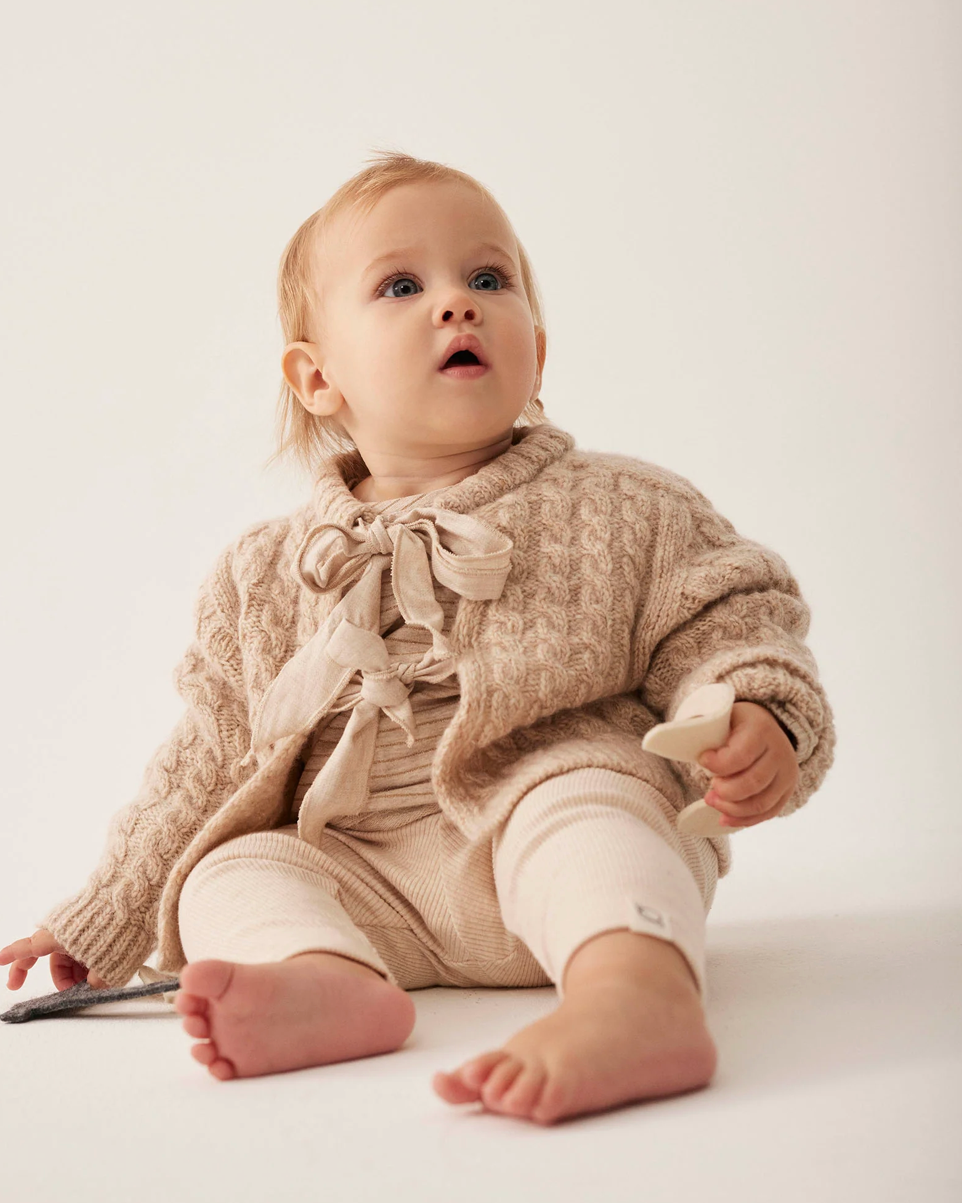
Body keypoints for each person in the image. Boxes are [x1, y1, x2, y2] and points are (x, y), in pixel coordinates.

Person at [0, 150, 835, 1126]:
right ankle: (328, 981)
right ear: (317, 378)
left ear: (538, 347)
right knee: (231, 872)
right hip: (365, 875)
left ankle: (633, 995)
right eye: (401, 285)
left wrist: (755, 712)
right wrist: (109, 904)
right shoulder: (264, 573)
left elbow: (730, 625)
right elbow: (207, 756)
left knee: (594, 810)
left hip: (533, 824)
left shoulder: (623, 508)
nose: (457, 304)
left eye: (488, 279)